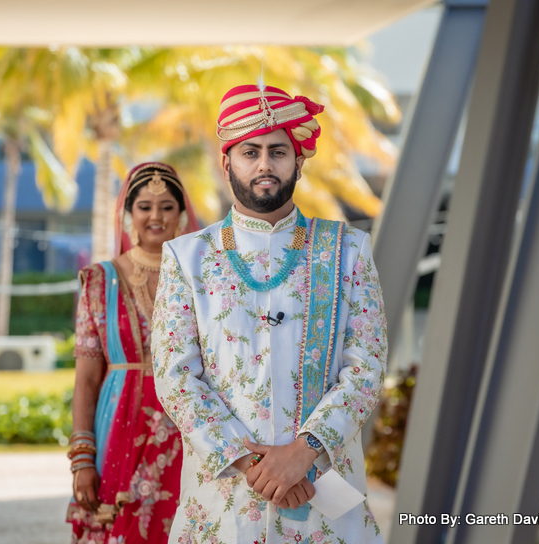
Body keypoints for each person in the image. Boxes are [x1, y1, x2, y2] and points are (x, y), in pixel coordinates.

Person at [151, 84, 388, 543]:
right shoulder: (187, 257)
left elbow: (367, 368)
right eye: (250, 152)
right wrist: (255, 465)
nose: (264, 164)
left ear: (298, 161)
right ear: (227, 163)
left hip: (320, 490)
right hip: (225, 500)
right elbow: (174, 377)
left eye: (278, 151)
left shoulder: (346, 249)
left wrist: (304, 452)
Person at [67, 162, 201, 544]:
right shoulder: (99, 280)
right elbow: (87, 379)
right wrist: (82, 459)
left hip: (191, 428)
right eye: (144, 206)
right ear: (129, 214)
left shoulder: (205, 277)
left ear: (182, 213)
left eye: (166, 206)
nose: (155, 216)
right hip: (120, 425)